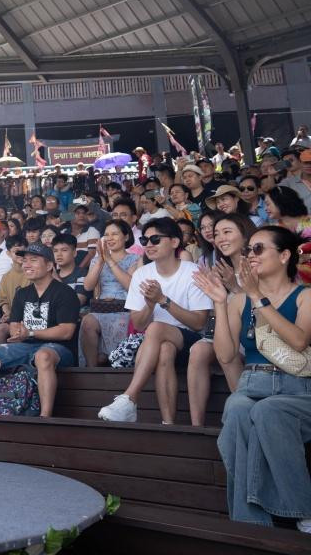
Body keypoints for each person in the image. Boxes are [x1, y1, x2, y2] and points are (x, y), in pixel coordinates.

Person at [194, 225, 311, 529]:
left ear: (285, 255)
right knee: (237, 408)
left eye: (258, 249)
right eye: (249, 250)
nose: (250, 256)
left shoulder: (305, 297)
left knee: (266, 410)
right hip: (252, 383)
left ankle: (303, 510)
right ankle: (251, 523)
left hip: (297, 388)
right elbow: (226, 355)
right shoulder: (237, 300)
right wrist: (220, 303)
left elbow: (299, 342)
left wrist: (258, 297)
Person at [98, 217, 213, 424]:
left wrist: (163, 300)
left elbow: (198, 323)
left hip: (192, 340)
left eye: (156, 239)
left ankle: (130, 397)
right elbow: (139, 324)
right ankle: (168, 423)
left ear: (175, 242)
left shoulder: (192, 271)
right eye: (145, 241)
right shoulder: (142, 274)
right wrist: (150, 304)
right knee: (164, 349)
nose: (149, 245)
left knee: (157, 328)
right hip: (157, 343)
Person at [0, 243, 80, 418]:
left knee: (43, 356)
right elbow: (15, 325)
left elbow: (66, 331)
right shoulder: (22, 294)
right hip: (25, 346)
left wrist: (30, 333)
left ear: (49, 266)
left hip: (59, 349)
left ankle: (45, 417)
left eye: (33, 260)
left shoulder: (64, 293)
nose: (26, 265)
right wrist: (19, 331)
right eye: (25, 261)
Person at [186, 214, 253, 426]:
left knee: (228, 352)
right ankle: (196, 425)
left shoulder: (256, 263)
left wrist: (234, 287)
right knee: (199, 349)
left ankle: (244, 415)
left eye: (227, 232)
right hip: (227, 332)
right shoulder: (220, 268)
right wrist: (212, 292)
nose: (220, 238)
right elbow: (218, 314)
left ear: (244, 234)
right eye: (216, 234)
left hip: (254, 333)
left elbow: (264, 307)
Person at [80, 220, 141, 367]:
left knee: (119, 322)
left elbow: (131, 286)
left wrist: (110, 260)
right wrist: (101, 260)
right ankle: (91, 371)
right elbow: (88, 286)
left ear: (126, 237)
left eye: (114, 234)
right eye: (106, 235)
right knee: (87, 321)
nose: (109, 238)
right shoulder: (98, 259)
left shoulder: (135, 259)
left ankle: (116, 364)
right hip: (101, 307)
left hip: (125, 308)